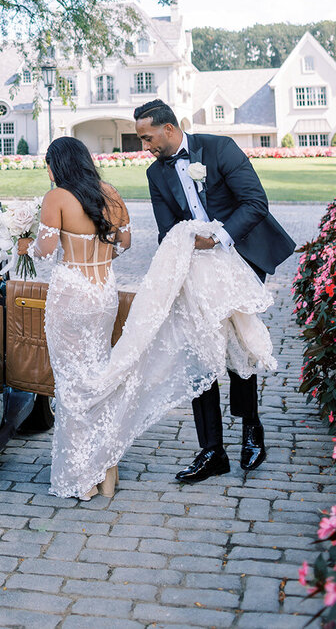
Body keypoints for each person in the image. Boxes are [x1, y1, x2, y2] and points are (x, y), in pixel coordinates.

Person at [134, 98, 296, 484]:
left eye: (147, 137)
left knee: (238, 346)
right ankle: (212, 451)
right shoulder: (156, 174)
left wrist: (218, 238)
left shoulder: (219, 148)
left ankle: (251, 428)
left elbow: (256, 202)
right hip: (195, 270)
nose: (145, 146)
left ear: (168, 129)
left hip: (238, 258)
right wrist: (185, 248)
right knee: (199, 353)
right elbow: (166, 231)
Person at [21, 136, 132, 499]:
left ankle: (82, 478)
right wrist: (100, 259)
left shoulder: (57, 197)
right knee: (98, 372)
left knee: (71, 381)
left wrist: (24, 244)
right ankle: (107, 468)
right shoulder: (110, 193)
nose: (48, 171)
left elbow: (46, 250)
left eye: (49, 164)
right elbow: (124, 243)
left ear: (58, 165)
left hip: (71, 295)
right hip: (104, 295)